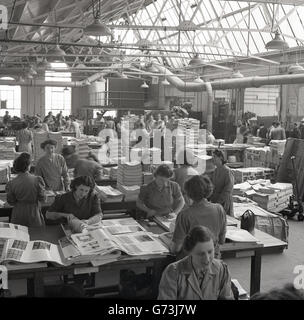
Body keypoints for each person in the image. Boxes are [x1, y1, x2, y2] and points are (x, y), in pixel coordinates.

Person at [158, 226, 234, 300]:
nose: (207, 259)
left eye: (210, 252)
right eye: (201, 254)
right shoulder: (173, 272)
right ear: (190, 252)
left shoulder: (222, 269)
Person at [171, 175, 226, 259]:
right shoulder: (219, 209)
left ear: (188, 194)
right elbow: (222, 240)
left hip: (191, 262)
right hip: (213, 259)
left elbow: (176, 249)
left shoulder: (185, 215)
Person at [6, 153, 46, 227]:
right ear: (28, 166)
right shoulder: (37, 180)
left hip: (18, 213)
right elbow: (43, 198)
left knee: (18, 236)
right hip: (34, 212)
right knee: (35, 235)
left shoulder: (11, 183)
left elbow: (11, 202)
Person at [210, 150, 234, 217]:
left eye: (214, 157)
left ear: (220, 157)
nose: (213, 159)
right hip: (215, 201)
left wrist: (219, 201)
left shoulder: (227, 171)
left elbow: (228, 189)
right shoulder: (216, 170)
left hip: (224, 202)